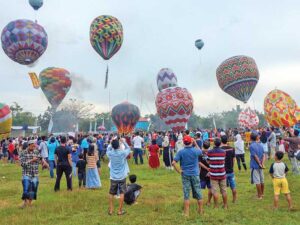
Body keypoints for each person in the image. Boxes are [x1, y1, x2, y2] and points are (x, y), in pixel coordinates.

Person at [172, 135, 203, 217]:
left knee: (186, 194)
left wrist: (179, 171)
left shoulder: (181, 152)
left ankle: (186, 213)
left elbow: (173, 163)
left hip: (185, 174)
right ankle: (200, 210)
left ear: (184, 143)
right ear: (191, 142)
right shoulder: (195, 151)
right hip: (195, 174)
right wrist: (195, 143)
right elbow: (201, 151)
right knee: (198, 192)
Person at [19, 140, 49, 208]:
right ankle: (24, 202)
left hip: (35, 174)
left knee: (33, 189)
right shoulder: (23, 153)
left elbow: (41, 159)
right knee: (26, 189)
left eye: (34, 146)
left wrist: (44, 164)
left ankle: (30, 204)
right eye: (32, 146)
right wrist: (31, 160)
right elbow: (22, 164)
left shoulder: (36, 152)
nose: (34, 147)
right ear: (29, 145)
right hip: (26, 173)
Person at [106, 138, 131, 216]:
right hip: (121, 176)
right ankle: (120, 211)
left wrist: (111, 143)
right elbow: (129, 148)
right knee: (122, 193)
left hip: (113, 176)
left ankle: (111, 210)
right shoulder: (122, 153)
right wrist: (124, 142)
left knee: (111, 193)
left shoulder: (110, 153)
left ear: (113, 146)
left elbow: (108, 149)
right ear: (119, 145)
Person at [207, 138, 228, 209]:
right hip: (222, 173)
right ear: (220, 143)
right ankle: (225, 205)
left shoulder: (210, 152)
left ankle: (216, 206)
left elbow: (208, 161)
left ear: (214, 143)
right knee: (224, 191)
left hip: (213, 174)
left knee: (215, 191)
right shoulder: (223, 152)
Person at [221, 135, 237, 203]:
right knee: (233, 186)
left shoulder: (220, 149)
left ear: (221, 141)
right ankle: (234, 200)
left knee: (224, 188)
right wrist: (232, 167)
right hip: (230, 170)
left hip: (223, 171)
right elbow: (234, 159)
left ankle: (225, 202)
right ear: (227, 140)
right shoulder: (232, 149)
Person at [249, 132, 265, 200]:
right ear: (257, 138)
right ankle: (262, 193)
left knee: (257, 181)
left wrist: (259, 163)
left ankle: (259, 196)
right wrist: (262, 164)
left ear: (250, 138)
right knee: (262, 180)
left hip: (255, 165)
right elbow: (264, 155)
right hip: (261, 165)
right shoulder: (260, 145)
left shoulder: (251, 146)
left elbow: (255, 156)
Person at [199, 140, 212, 206]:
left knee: (200, 188)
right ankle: (209, 202)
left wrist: (206, 168)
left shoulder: (200, 153)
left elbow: (199, 163)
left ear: (203, 146)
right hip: (211, 172)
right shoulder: (212, 152)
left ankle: (200, 202)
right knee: (210, 188)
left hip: (202, 173)